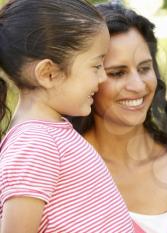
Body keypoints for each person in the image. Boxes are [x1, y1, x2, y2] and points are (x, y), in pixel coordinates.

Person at [69, 2, 167, 233]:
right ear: (87, 77)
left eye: (144, 68)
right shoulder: (57, 166)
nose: (138, 85)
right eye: (117, 73)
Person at [0, 0, 134, 232]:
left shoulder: (51, 134)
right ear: (49, 73)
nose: (102, 78)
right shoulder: (35, 144)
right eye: (96, 66)